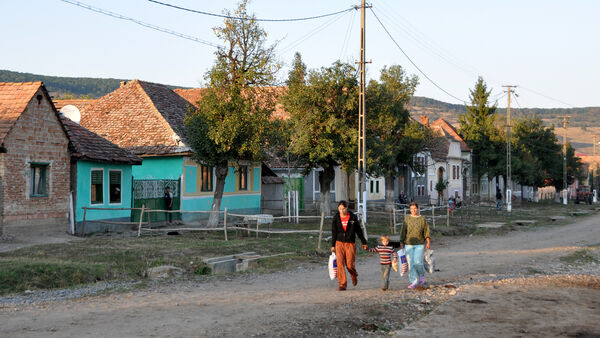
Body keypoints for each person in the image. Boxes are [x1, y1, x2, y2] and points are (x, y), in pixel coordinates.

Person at [331, 200, 369, 291]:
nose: (341, 211)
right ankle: (342, 284)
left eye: (343, 209)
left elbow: (358, 231)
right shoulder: (336, 218)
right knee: (340, 264)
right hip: (339, 243)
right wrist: (332, 245)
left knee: (349, 265)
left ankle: (353, 274)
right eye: (340, 209)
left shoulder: (353, 217)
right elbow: (334, 232)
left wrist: (364, 242)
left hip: (350, 243)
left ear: (347, 208)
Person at [400, 202, 431, 289]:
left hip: (419, 244)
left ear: (418, 209)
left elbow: (426, 231)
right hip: (408, 244)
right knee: (411, 264)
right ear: (410, 210)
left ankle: (421, 275)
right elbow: (403, 231)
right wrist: (401, 241)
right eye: (411, 209)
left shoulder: (422, 219)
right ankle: (413, 281)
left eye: (415, 208)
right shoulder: (407, 219)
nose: (413, 210)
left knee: (417, 262)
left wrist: (428, 242)